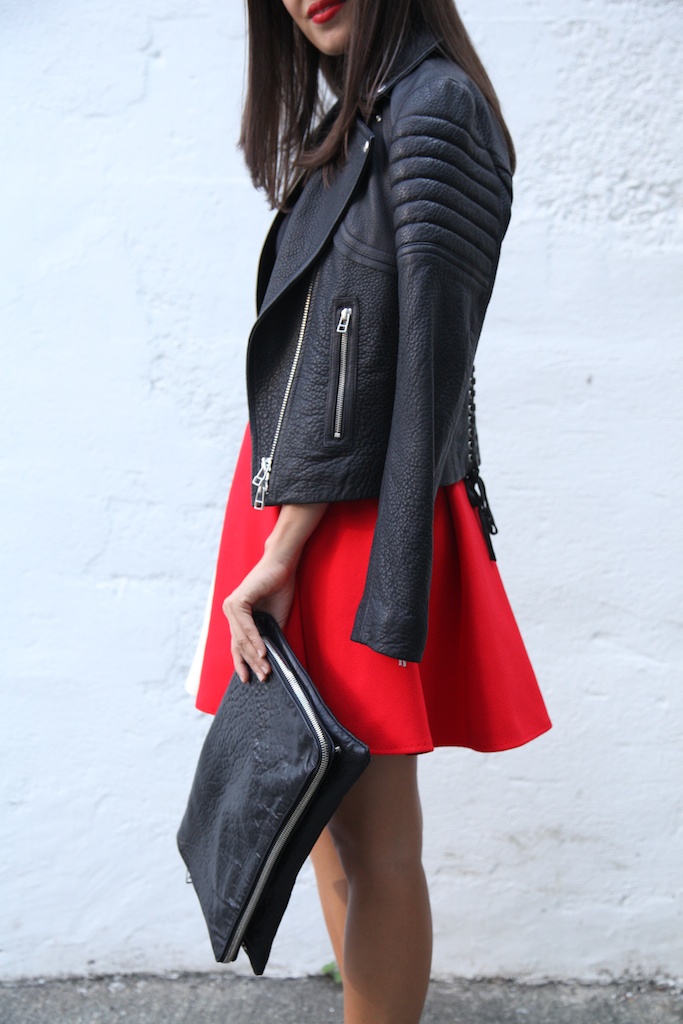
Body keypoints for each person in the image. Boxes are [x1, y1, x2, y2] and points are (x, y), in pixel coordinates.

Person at [188, 1, 552, 1021]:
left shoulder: (433, 110)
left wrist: (289, 542)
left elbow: (416, 364)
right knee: (322, 806)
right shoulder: (369, 113)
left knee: (374, 837)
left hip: (341, 514)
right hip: (300, 499)